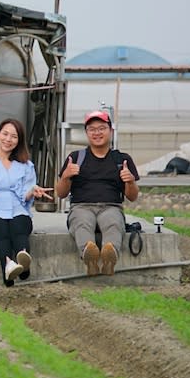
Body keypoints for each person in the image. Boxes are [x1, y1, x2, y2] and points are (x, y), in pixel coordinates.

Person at [56, 110, 140, 276]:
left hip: (111, 206)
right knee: (81, 222)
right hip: (81, 206)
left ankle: (110, 257)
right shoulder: (76, 157)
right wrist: (65, 177)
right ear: (86, 133)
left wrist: (129, 181)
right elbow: (60, 193)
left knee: (113, 223)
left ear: (110, 130)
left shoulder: (121, 159)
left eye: (101, 128)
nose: (97, 133)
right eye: (92, 129)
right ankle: (90, 256)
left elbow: (132, 196)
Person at [0, 119, 53, 286]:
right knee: (1, 229)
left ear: (19, 141)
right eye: (5, 134)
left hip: (18, 210)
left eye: (14, 136)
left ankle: (23, 259)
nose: (8, 139)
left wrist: (33, 191)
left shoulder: (26, 166)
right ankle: (8, 265)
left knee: (19, 226)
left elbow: (25, 194)